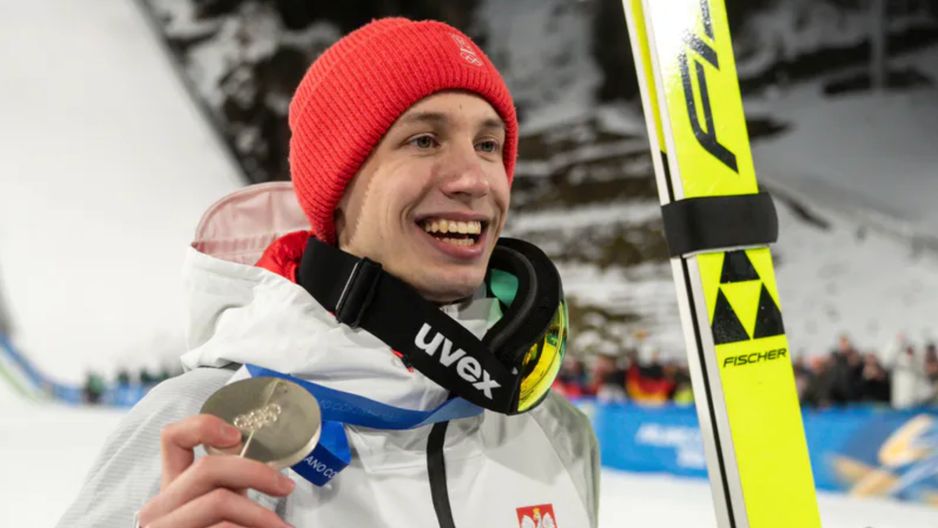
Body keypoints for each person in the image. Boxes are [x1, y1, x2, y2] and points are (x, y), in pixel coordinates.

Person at [57, 17, 599, 528]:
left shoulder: (555, 434)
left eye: (487, 145)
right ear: (337, 186)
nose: (474, 179)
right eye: (424, 140)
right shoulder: (200, 421)